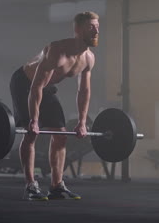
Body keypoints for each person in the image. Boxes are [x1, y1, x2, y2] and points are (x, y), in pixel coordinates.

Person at [9, 11, 99, 200]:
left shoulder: (89, 58)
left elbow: (84, 91)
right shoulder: (58, 51)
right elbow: (35, 87)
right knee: (31, 133)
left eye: (98, 26)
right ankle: (30, 185)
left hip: (45, 87)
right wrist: (34, 120)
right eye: (91, 27)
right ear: (77, 29)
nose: (96, 31)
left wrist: (82, 122)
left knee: (60, 135)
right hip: (25, 83)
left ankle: (56, 186)